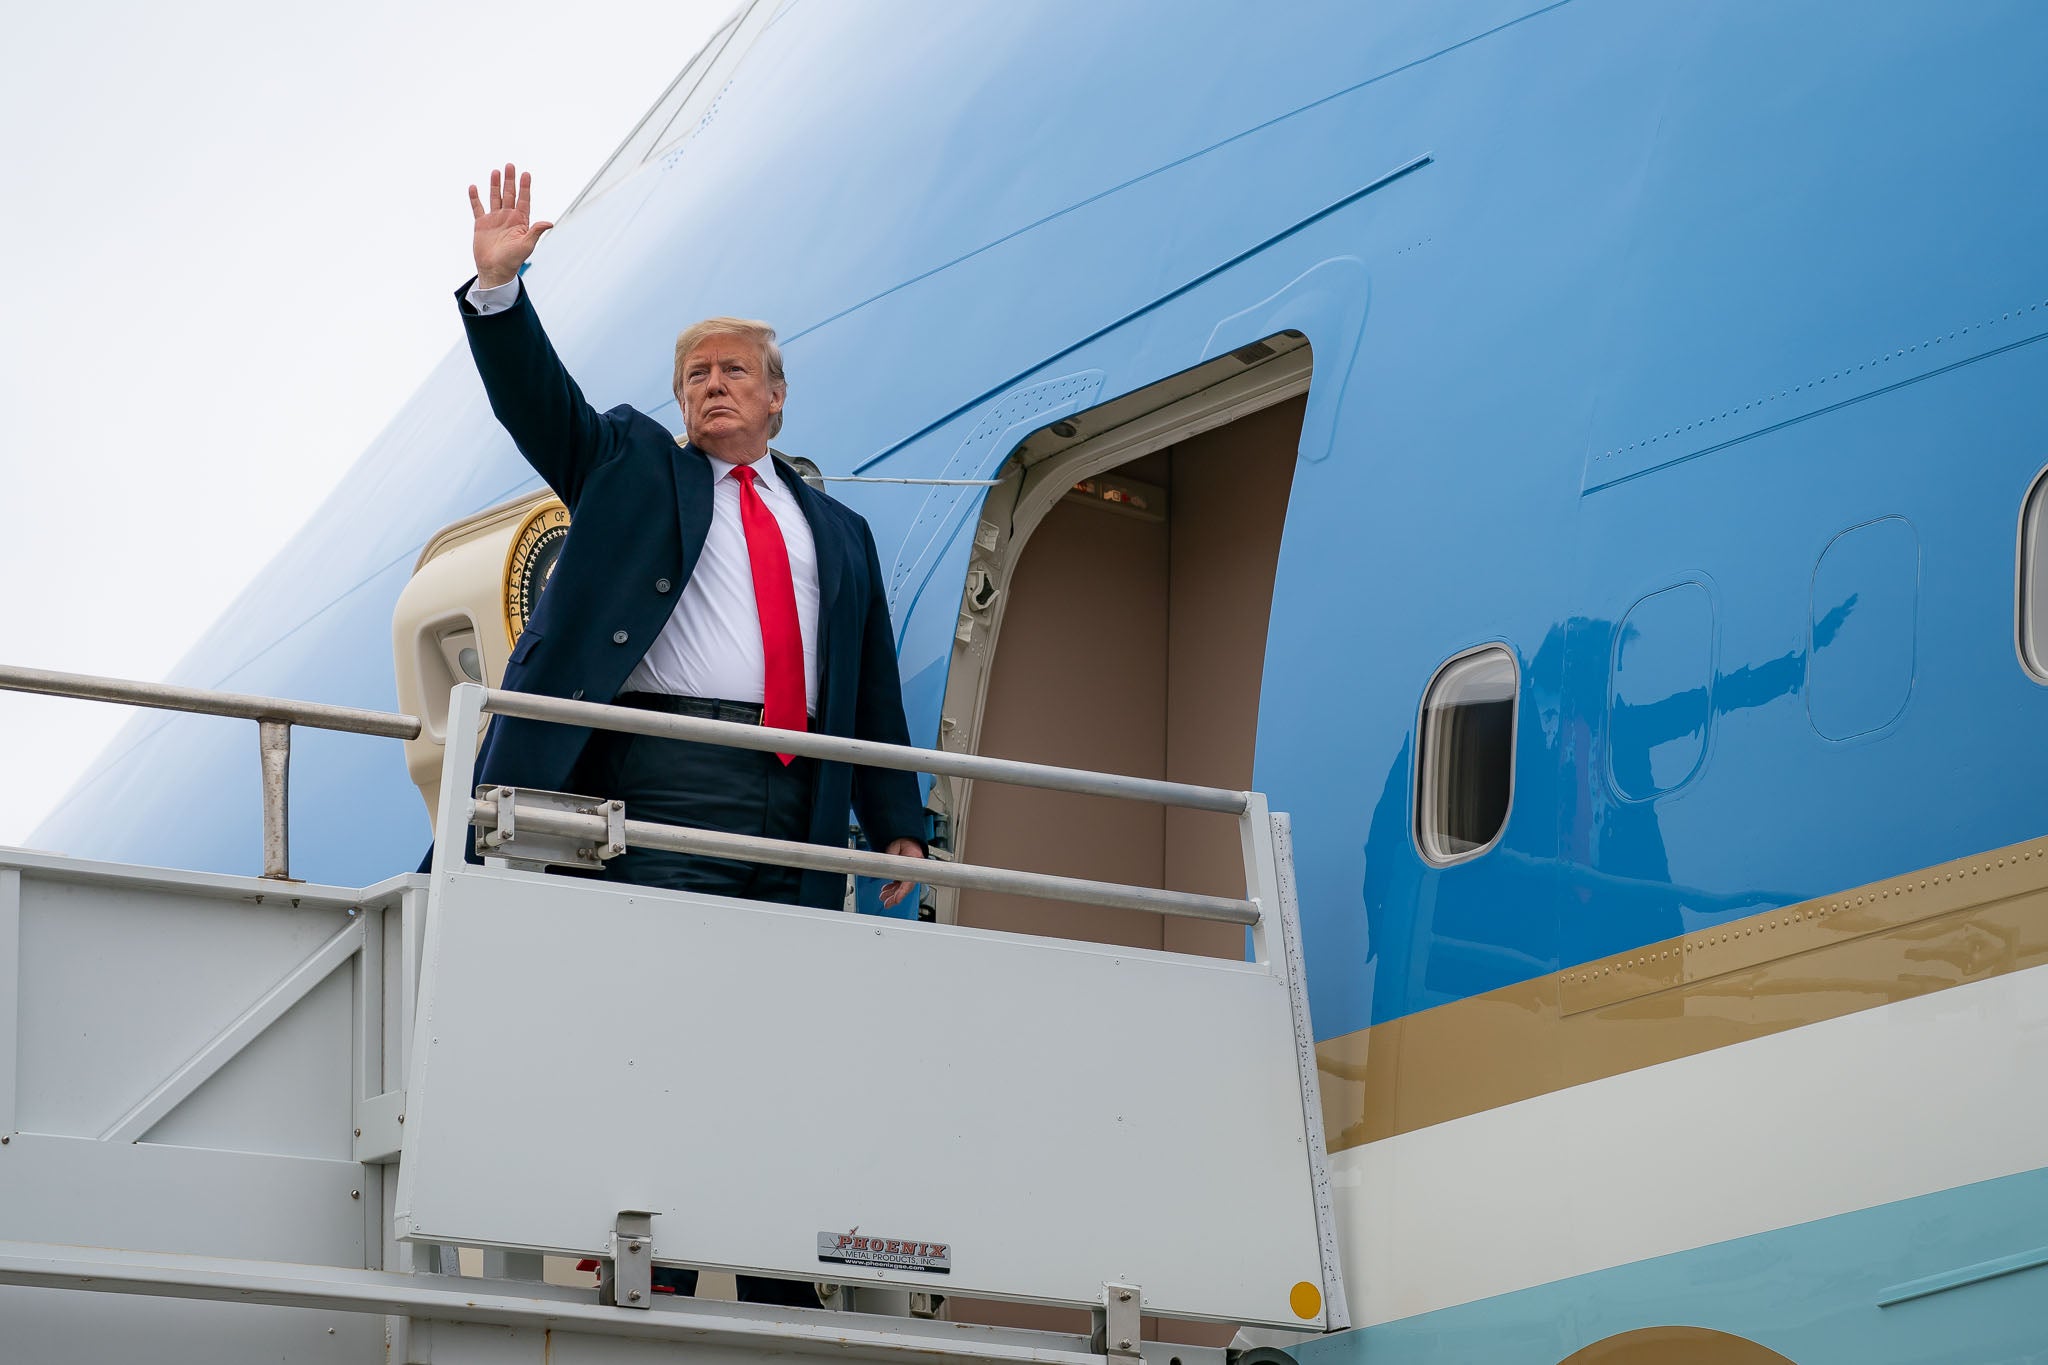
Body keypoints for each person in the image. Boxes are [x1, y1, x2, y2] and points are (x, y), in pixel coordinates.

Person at [456, 164, 928, 1306]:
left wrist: (897, 828)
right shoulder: (629, 466)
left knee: (786, 1027)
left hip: (800, 790)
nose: (711, 387)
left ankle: (775, 1262)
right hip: (667, 776)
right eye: (693, 375)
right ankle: (652, 1247)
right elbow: (540, 407)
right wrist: (499, 291)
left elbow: (867, 687)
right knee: (666, 1006)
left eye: (732, 372)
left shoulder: (839, 531)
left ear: (775, 400)